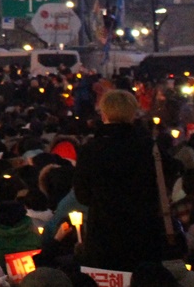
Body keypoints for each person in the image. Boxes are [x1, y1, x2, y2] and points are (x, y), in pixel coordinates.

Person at [74, 89, 168, 272]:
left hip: (103, 234)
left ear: (104, 114)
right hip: (144, 232)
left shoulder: (91, 150)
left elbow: (82, 195)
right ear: (132, 114)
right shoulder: (149, 148)